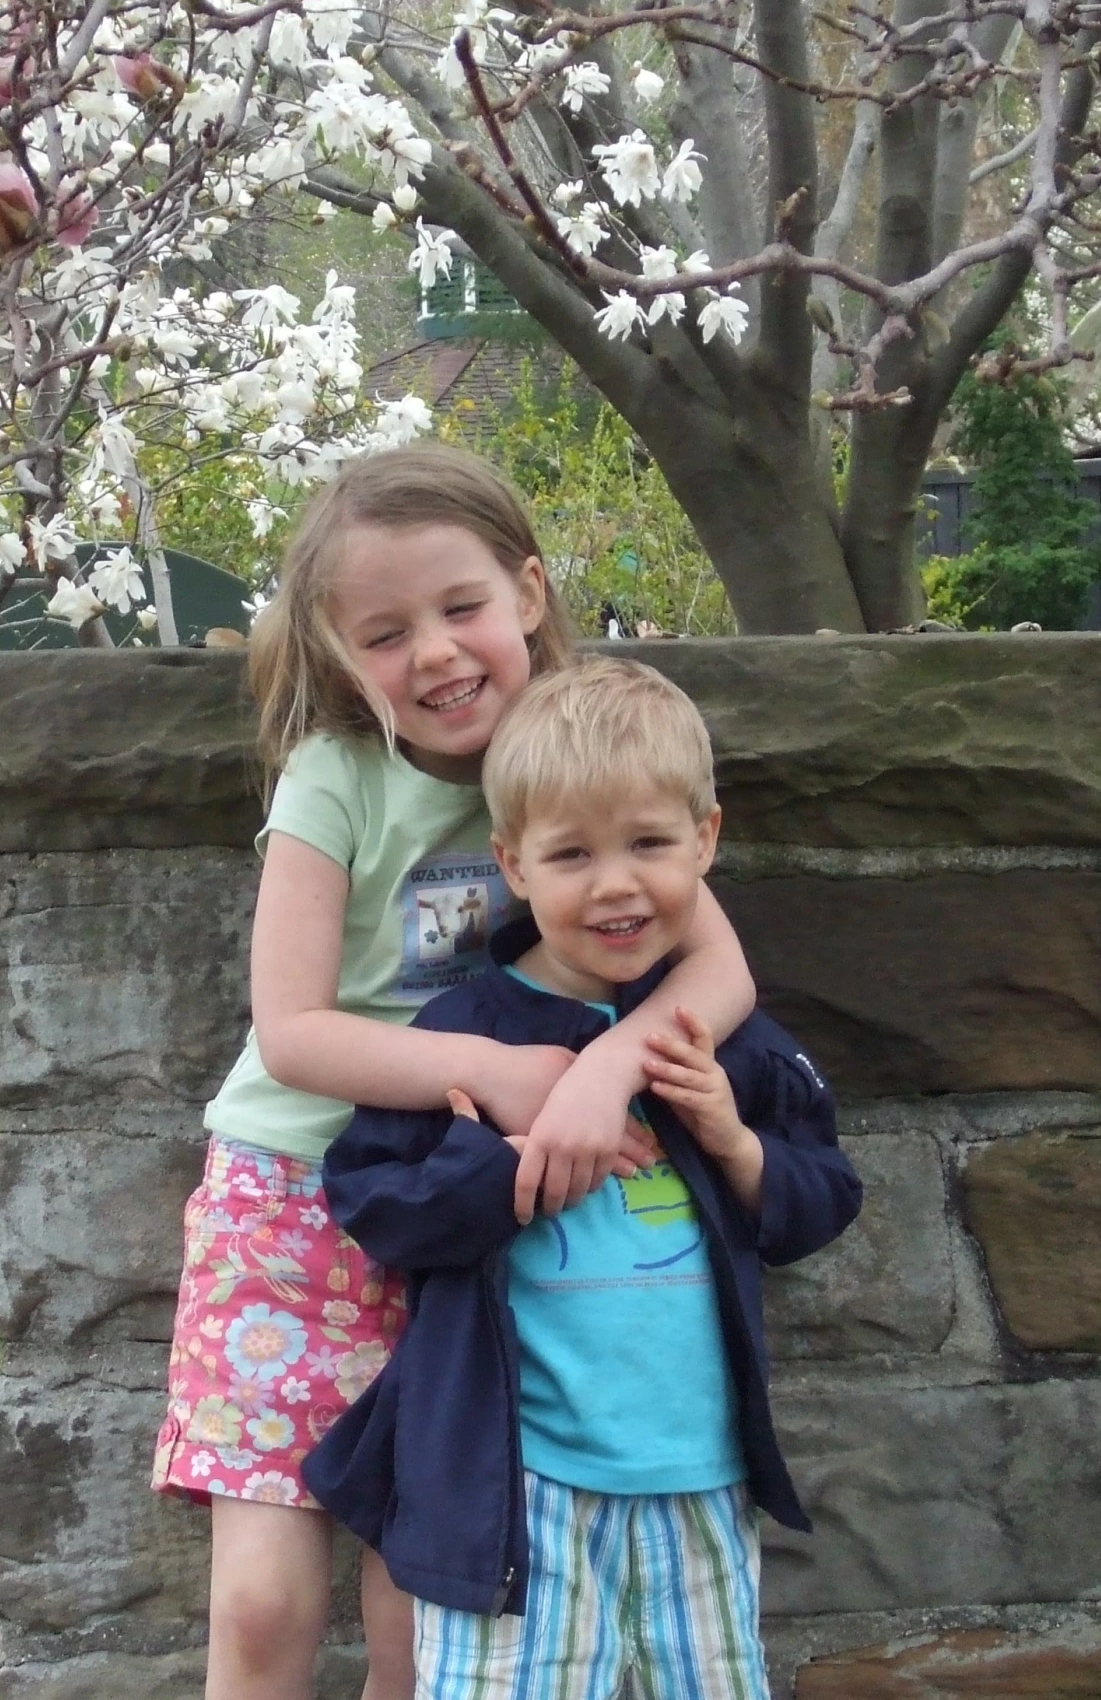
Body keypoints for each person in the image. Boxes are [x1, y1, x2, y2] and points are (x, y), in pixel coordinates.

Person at [151, 448, 758, 1700]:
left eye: (460, 607)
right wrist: (490, 1063)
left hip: (460, 1220)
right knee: (265, 1602)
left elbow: (722, 968)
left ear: (529, 591)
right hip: (292, 1209)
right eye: (386, 630)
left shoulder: (575, 748)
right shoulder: (338, 777)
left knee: (419, 1604)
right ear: (335, 648)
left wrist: (602, 1074)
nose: (434, 652)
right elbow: (292, 1031)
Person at [303, 659, 861, 1700]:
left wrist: (735, 1142)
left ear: (706, 837)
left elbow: (823, 1194)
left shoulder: (718, 1038)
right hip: (515, 1494)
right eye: (572, 853)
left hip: (699, 1481)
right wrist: (505, 1163)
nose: (616, 883)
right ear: (512, 863)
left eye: (650, 842)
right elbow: (376, 1206)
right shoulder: (466, 1030)